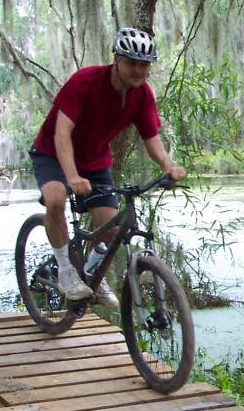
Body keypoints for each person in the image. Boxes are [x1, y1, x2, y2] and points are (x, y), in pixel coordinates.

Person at [29, 26, 187, 307]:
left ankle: (92, 275)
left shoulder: (142, 95)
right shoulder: (85, 81)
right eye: (132, 63)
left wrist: (168, 166)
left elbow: (151, 137)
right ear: (116, 58)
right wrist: (72, 176)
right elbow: (62, 133)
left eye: (144, 65)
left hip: (95, 160)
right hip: (53, 153)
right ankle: (65, 271)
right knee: (55, 201)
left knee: (112, 228)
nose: (139, 71)